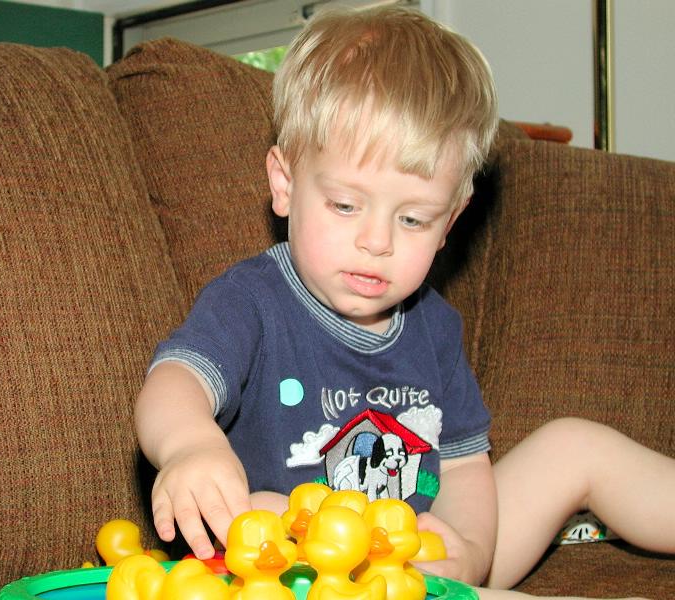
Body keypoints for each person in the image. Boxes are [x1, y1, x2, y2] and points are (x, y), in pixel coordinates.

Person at [134, 6, 674, 598]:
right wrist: (190, 445)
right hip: (294, 570)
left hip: (424, 559)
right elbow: (176, 379)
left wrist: (469, 551)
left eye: (413, 219)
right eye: (346, 205)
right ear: (284, 184)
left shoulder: (435, 326)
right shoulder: (251, 300)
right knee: (260, 507)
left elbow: (464, 467)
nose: (377, 242)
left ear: (450, 223)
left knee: (576, 445)